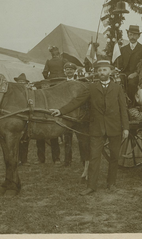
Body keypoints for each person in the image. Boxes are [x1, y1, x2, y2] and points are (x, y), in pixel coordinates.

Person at [56, 59, 129, 196]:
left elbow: (123, 109)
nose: (102, 72)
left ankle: (111, 183)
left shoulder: (118, 88)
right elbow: (77, 101)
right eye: (100, 70)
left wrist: (125, 128)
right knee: (94, 156)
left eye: (105, 70)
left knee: (114, 157)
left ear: (110, 71)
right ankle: (91, 186)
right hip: (96, 128)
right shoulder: (91, 87)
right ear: (97, 72)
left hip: (114, 128)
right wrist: (61, 111)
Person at [39, 45, 68, 165]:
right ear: (58, 52)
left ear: (52, 53)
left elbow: (45, 73)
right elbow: (69, 68)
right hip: (62, 81)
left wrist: (50, 77)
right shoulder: (63, 60)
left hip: (52, 83)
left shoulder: (48, 62)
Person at [61, 62, 90, 169]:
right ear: (64, 71)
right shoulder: (61, 84)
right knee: (67, 139)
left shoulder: (81, 82)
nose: (69, 71)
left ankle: (84, 161)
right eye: (67, 69)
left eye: (71, 69)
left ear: (75, 71)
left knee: (82, 140)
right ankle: (67, 161)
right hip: (67, 115)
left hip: (79, 116)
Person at [119, 25, 142, 106]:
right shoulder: (123, 49)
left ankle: (131, 106)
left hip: (137, 74)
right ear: (127, 35)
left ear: (138, 36)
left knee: (131, 84)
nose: (132, 37)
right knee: (118, 82)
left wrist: (136, 73)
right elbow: (119, 64)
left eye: (134, 35)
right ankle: (120, 105)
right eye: (130, 34)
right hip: (124, 74)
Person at [15, 73, 31, 166]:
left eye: (22, 82)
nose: (21, 83)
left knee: (25, 139)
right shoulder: (13, 92)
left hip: (26, 117)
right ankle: (17, 160)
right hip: (16, 118)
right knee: (16, 141)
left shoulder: (29, 92)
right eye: (19, 82)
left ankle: (24, 160)